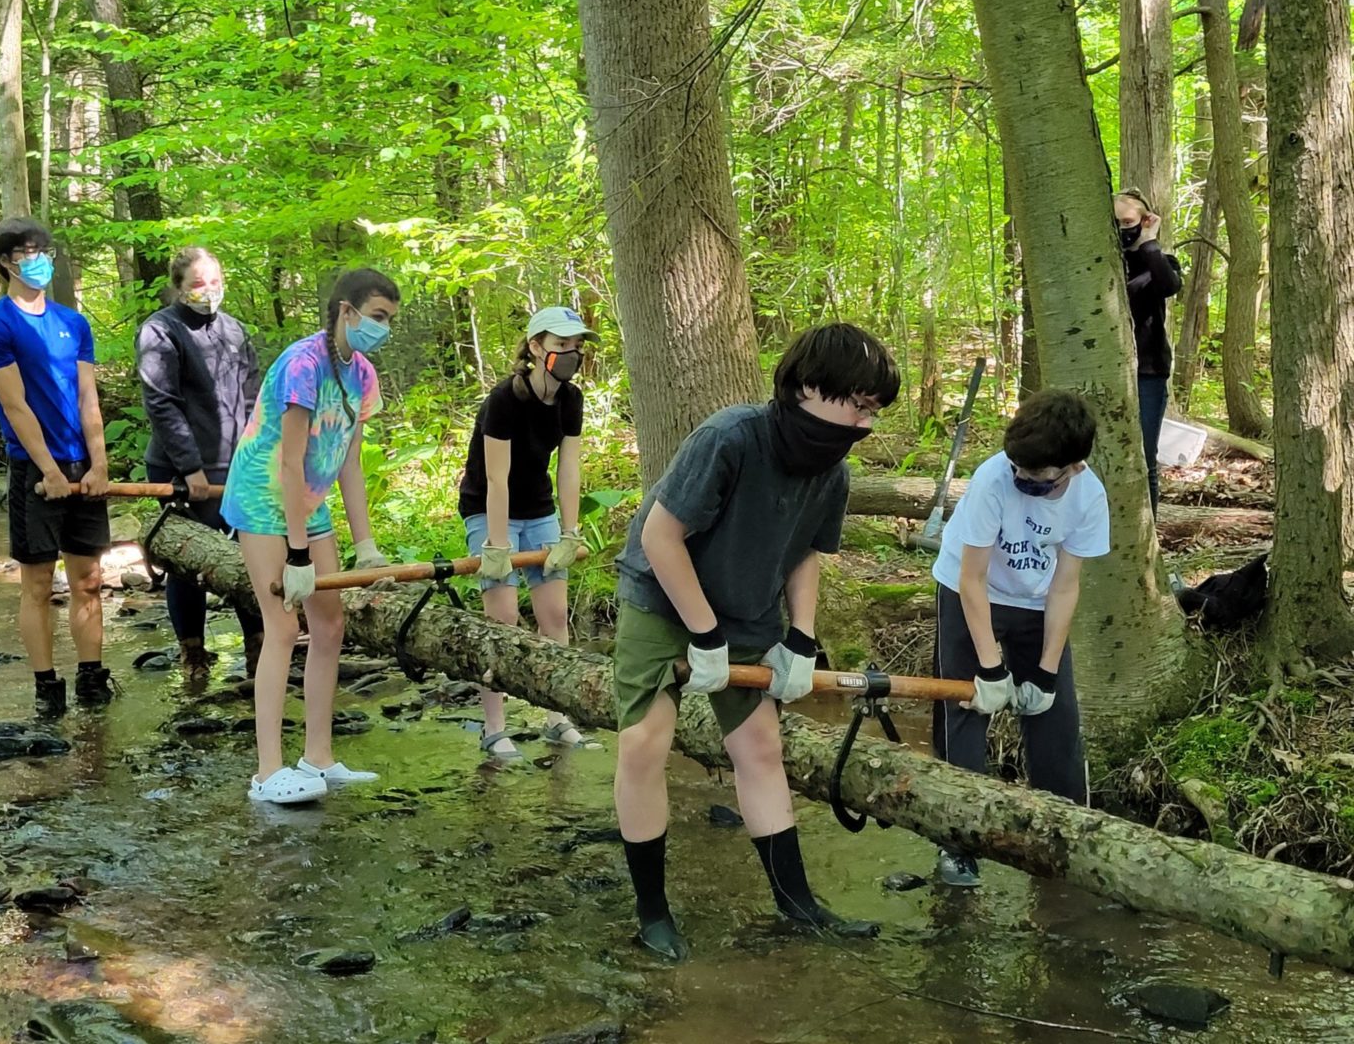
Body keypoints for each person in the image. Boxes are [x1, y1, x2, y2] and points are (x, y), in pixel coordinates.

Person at [611, 322, 898, 961]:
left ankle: (798, 905)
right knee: (643, 742)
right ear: (807, 388)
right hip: (661, 597)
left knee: (761, 748)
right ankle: (653, 912)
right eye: (858, 404)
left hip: (745, 612)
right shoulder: (730, 438)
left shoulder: (833, 471)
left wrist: (799, 638)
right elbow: (661, 539)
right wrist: (702, 633)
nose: (864, 422)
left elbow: (805, 555)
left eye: (873, 411)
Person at [220, 268, 399, 805]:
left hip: (309, 504)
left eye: (390, 319)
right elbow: (291, 463)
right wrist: (297, 552)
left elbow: (348, 463)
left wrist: (364, 543)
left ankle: (317, 756)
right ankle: (267, 772)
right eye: (377, 317)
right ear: (347, 312)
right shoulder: (303, 365)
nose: (383, 328)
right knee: (281, 624)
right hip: (262, 497)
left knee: (330, 621)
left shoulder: (362, 376)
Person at [928, 390, 1110, 887]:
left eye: (1039, 481)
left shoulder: (1089, 496)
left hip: (1036, 602)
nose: (1023, 482)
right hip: (970, 589)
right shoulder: (992, 479)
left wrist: (1046, 672)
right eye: (1019, 473)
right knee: (964, 713)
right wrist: (990, 669)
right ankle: (959, 842)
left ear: (1072, 467)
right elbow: (971, 580)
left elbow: (1066, 584)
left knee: (1055, 718)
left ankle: (1067, 839)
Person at [0, 217, 114, 719]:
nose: (40, 259)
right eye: (29, 251)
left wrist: (98, 463)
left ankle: (92, 677)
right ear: (7, 261)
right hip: (34, 469)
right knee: (36, 584)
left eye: (45, 250)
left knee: (89, 578)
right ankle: (47, 687)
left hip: (82, 464)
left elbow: (87, 397)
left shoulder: (74, 323)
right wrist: (49, 470)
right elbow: (16, 406)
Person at [456, 306, 594, 760]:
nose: (570, 354)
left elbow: (568, 468)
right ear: (536, 348)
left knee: (554, 616)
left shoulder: (571, 400)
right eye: (561, 346)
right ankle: (494, 728)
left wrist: (570, 533)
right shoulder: (504, 400)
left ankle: (558, 717)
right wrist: (496, 544)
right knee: (504, 618)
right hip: (489, 508)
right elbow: (496, 478)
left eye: (576, 346)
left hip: (539, 509)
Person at [137, 247, 263, 684]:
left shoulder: (234, 331)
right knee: (187, 562)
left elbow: (253, 399)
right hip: (179, 470)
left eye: (213, 281)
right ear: (178, 287)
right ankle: (193, 656)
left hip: (238, 465)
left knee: (250, 559)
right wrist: (190, 467)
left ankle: (259, 652)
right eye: (197, 284)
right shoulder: (160, 331)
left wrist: (256, 459)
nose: (208, 291)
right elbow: (162, 403)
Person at [1114, 188, 1182, 516]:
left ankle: (1147, 533)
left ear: (1144, 221)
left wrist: (1149, 240)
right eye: (1116, 222)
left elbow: (1169, 286)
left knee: (1144, 456)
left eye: (1128, 222)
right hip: (1106, 370)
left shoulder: (1160, 262)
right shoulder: (1104, 264)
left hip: (1148, 373)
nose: (1122, 228)